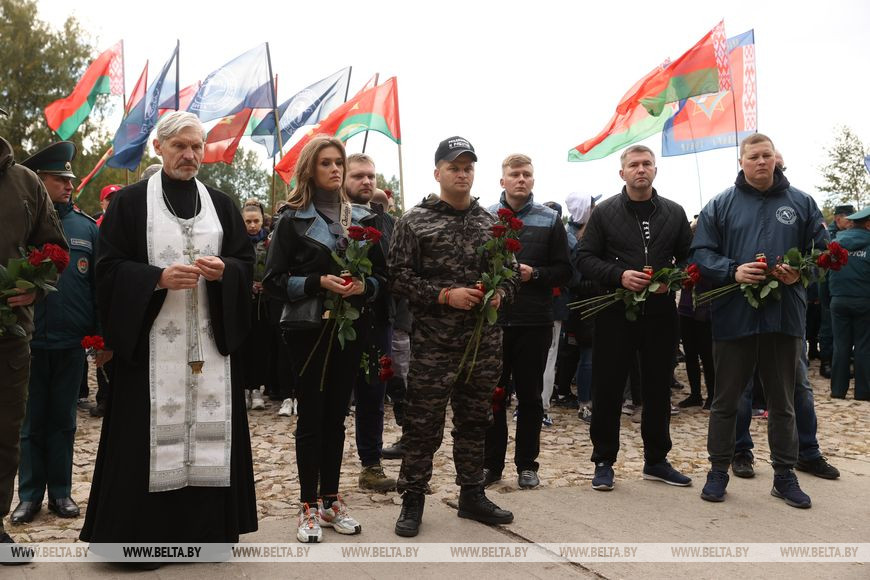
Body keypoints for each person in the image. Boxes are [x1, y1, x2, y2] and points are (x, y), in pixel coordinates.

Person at [79, 111, 257, 551]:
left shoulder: (222, 205)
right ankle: (142, 539)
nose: (190, 154)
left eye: (197, 146)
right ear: (159, 147)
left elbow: (246, 263)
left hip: (210, 349)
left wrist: (226, 271)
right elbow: (107, 270)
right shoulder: (129, 204)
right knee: (143, 442)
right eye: (180, 146)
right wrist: (155, 279)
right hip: (150, 350)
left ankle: (207, 536)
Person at [389, 136, 518, 538]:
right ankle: (413, 498)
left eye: (467, 168)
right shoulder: (414, 221)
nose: (462, 174)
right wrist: (444, 295)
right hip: (435, 344)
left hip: (482, 344)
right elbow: (398, 277)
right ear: (437, 173)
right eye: (454, 167)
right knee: (422, 424)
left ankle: (472, 493)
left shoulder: (491, 223)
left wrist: (499, 293)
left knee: (475, 421)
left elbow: (512, 274)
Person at [692, 133, 828, 508]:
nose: (761, 162)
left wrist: (801, 272)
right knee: (726, 400)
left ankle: (784, 475)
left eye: (767, 155)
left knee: (783, 401)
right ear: (742, 161)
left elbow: (822, 253)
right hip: (734, 316)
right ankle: (718, 471)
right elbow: (701, 252)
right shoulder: (720, 204)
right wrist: (732, 270)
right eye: (753, 157)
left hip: (784, 316)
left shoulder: (801, 202)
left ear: (775, 159)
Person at [264, 137, 387, 543]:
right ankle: (307, 505)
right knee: (312, 416)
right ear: (309, 170)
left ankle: (331, 500)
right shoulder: (291, 220)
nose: (335, 169)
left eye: (338, 163)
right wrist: (318, 282)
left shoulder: (365, 218)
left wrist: (364, 287)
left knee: (337, 415)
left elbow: (384, 278)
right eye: (326, 163)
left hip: (351, 329)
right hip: (307, 330)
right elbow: (273, 282)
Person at [576, 144, 693, 492]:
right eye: (634, 165)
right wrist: (619, 275)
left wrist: (672, 279)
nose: (640, 169)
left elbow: (691, 258)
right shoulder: (605, 212)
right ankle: (603, 461)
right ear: (622, 172)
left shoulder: (674, 212)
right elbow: (584, 258)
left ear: (655, 170)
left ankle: (656, 460)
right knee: (608, 388)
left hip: (660, 313)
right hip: (614, 311)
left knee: (658, 388)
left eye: (646, 164)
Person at [10, 142, 101, 525]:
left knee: (64, 421)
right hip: (28, 338)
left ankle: (61, 492)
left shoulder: (86, 227)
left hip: (69, 340)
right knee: (29, 423)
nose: (69, 185)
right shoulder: (21, 222)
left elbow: (97, 286)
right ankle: (29, 496)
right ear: (38, 180)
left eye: (70, 179)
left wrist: (99, 336)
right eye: (59, 179)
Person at [483, 154, 570, 489]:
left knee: (530, 396)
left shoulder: (550, 219)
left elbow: (565, 270)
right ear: (502, 180)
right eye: (515, 174)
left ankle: (527, 465)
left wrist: (535, 274)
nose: (521, 179)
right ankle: (491, 465)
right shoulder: (485, 217)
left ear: (533, 180)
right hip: (494, 321)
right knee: (494, 395)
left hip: (534, 320)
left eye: (527, 174)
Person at [0, 128, 67, 556]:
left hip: (9, 334)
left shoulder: (25, 182)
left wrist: (35, 288)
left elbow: (54, 248)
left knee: (4, 434)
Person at [344, 153, 397, 493]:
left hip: (377, 318)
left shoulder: (386, 222)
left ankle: (371, 464)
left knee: (373, 394)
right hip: (335, 320)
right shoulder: (330, 217)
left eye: (371, 176)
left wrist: (371, 286)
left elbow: (396, 272)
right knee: (332, 396)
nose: (366, 181)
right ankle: (322, 467)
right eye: (358, 176)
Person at [828, 206, 870, 401]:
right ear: (868, 224)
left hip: (838, 300)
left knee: (840, 345)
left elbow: (825, 274)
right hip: (864, 300)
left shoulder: (836, 243)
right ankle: (863, 392)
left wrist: (828, 299)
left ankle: (838, 390)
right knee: (863, 345)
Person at [89, 184, 122, 418]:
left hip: (124, 294)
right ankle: (104, 398)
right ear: (102, 203)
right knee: (103, 348)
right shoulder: (95, 227)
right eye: (109, 199)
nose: (113, 202)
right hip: (102, 295)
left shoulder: (129, 225)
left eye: (117, 198)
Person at [239, 200, 270, 411]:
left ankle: (257, 388)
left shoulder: (269, 242)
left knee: (260, 346)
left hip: (263, 303)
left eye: (256, 221)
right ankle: (243, 388)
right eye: (248, 221)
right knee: (243, 345)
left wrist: (266, 284)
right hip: (241, 301)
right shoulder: (236, 242)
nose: (252, 225)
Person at [817, 204, 855, 378]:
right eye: (848, 219)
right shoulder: (827, 236)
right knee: (827, 327)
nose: (851, 223)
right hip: (828, 287)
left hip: (844, 287)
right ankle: (826, 362)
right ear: (838, 218)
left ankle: (843, 361)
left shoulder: (848, 235)